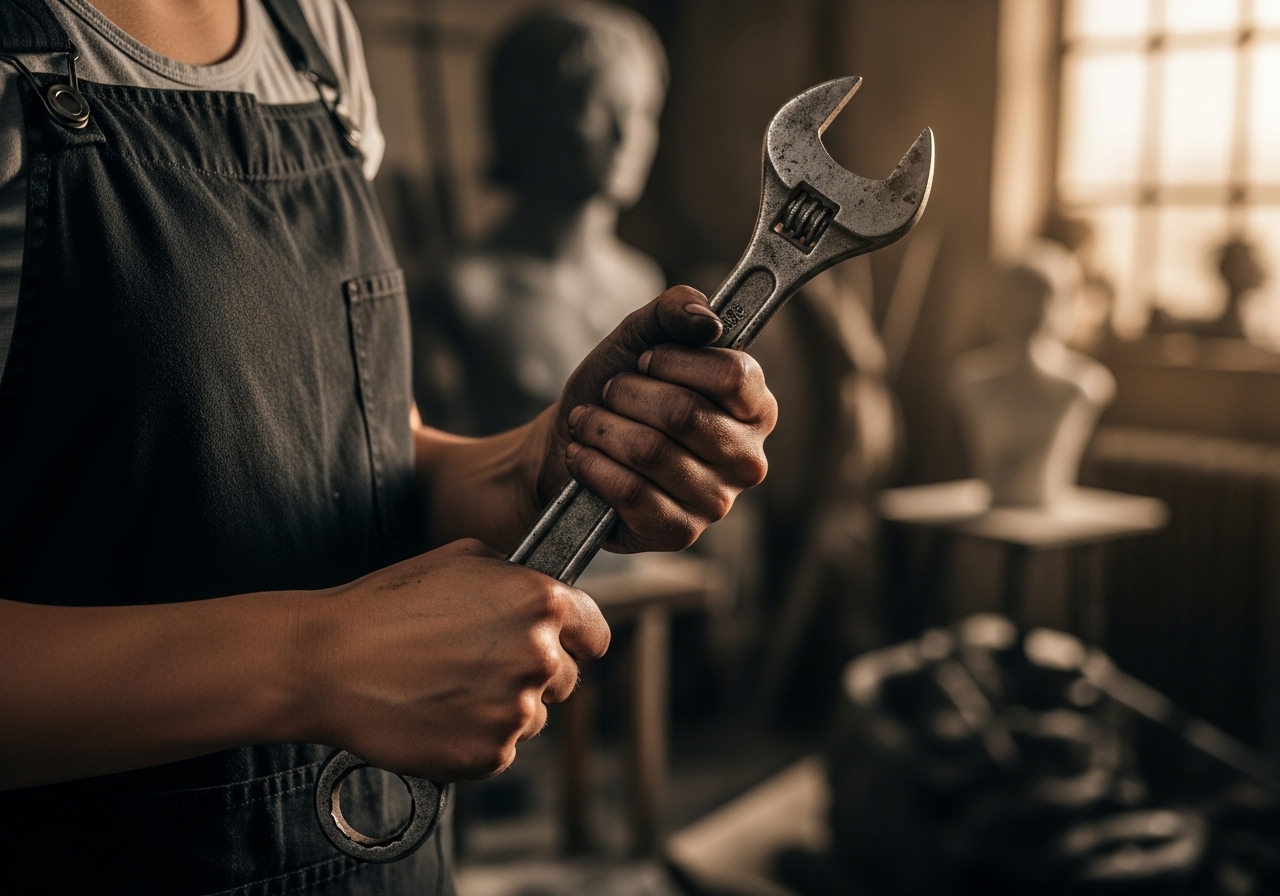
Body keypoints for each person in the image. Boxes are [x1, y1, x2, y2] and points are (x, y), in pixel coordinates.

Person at [0, 1, 777, 893]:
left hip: (385, 858)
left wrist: (541, 468)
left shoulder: (310, 33)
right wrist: (316, 660)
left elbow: (362, 455)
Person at [449, 1, 667, 435]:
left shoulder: (644, 285)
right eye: (601, 107)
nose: (627, 134)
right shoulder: (465, 297)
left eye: (644, 111)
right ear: (530, 113)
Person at [950, 241, 1115, 507]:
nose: (1025, 309)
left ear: (1061, 305)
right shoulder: (969, 379)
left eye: (1038, 297)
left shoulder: (1083, 386)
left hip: (1046, 510)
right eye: (1015, 298)